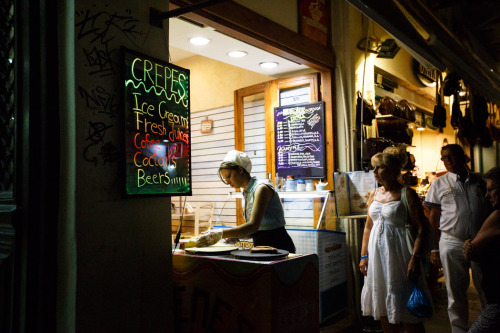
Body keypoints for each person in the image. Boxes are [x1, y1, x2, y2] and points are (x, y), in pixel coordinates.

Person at [360, 147, 429, 333]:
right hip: (377, 256)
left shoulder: (407, 194)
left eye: (378, 168)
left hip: (400, 254)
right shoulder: (374, 194)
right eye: (373, 168)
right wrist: (363, 256)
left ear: (392, 170)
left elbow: (422, 228)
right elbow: (368, 226)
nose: (374, 172)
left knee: (407, 307)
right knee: (382, 302)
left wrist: (415, 258)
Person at [425, 144, 489, 333]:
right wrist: (434, 249)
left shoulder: (480, 181)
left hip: (481, 241)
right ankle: (459, 330)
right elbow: (433, 218)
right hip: (452, 241)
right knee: (455, 293)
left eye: (452, 156)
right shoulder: (439, 183)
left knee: (487, 287)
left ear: (464, 157)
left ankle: (490, 326)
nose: (449, 161)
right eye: (444, 158)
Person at [196, 150, 296, 252]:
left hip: (279, 245)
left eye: (229, 176)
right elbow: (257, 230)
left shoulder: (261, 189)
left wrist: (220, 233)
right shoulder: (247, 193)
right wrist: (235, 236)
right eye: (225, 179)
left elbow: (253, 226)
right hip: (261, 246)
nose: (227, 182)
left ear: (240, 170)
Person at [463, 166, 500, 332]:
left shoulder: (497, 215)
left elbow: (471, 252)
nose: (487, 195)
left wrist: (468, 244)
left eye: (491, 189)